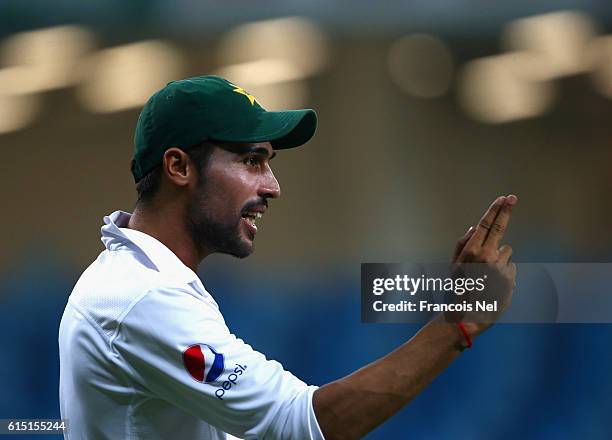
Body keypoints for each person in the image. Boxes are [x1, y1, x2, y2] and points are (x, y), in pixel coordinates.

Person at [58, 75, 517, 440]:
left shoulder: (138, 281)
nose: (272, 186)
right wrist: (456, 324)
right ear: (178, 167)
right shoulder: (141, 297)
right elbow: (301, 425)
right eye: (252, 160)